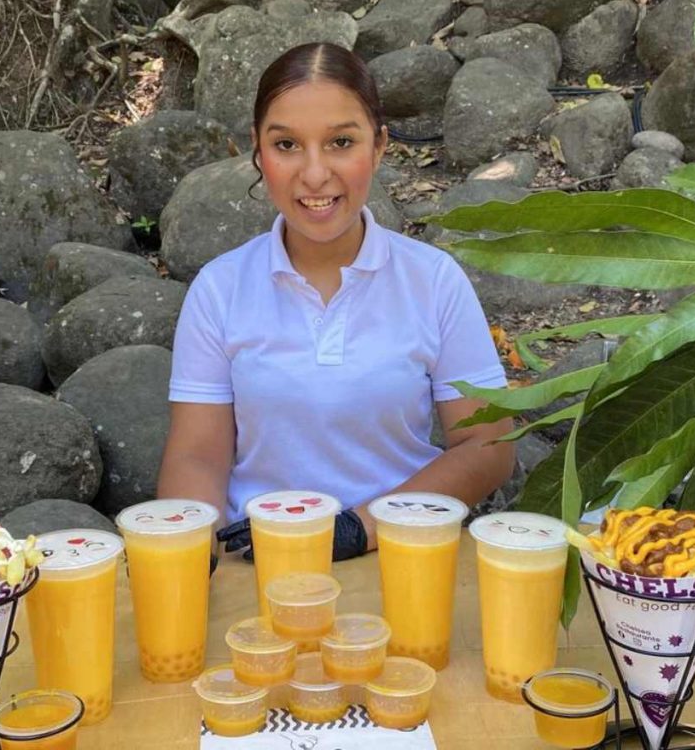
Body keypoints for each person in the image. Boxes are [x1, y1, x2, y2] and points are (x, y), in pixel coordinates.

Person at [157, 42, 514, 563]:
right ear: (258, 150)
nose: (315, 173)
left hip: (403, 556)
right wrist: (189, 554)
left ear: (380, 146)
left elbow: (488, 445)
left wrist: (354, 529)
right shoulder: (220, 288)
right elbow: (197, 456)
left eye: (341, 142)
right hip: (257, 561)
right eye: (286, 145)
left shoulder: (434, 280)